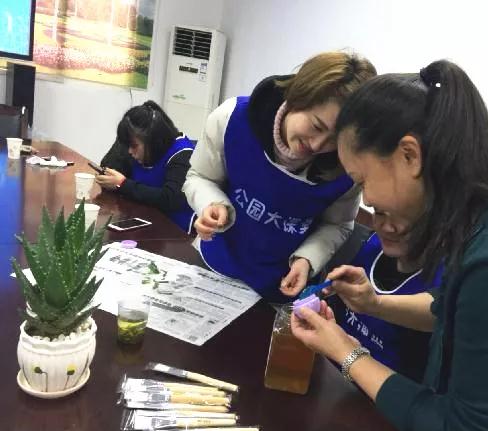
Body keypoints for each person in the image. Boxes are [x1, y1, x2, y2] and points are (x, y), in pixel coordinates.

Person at [291, 60, 488, 431]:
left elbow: (472, 427)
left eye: (362, 180)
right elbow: (457, 308)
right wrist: (374, 304)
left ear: (409, 155)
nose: (368, 200)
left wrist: (345, 352)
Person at [182, 52, 377, 302]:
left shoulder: (346, 167)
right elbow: (199, 177)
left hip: (281, 287)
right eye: (317, 126)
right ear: (297, 96)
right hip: (216, 264)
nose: (318, 145)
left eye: (335, 140)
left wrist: (307, 259)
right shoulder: (232, 120)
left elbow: (338, 225)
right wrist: (211, 204)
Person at [335, 214, 444, 382]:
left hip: (377, 391)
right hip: (332, 369)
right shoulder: (372, 245)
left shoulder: (444, 282)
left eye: (403, 217)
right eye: (379, 212)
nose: (387, 227)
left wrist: (347, 354)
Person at [97, 100, 197, 233]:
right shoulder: (140, 149)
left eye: (133, 146)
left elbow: (170, 199)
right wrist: (124, 140)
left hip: (175, 233)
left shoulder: (182, 153)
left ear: (153, 140)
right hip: (143, 222)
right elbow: (109, 168)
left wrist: (123, 184)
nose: (130, 151)